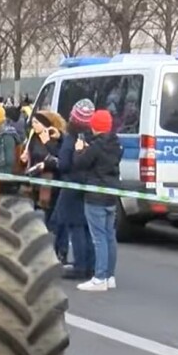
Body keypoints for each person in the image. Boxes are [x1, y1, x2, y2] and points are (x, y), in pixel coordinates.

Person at [72, 110, 123, 292]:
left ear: (94, 126)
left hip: (95, 195)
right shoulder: (116, 144)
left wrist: (79, 150)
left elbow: (79, 163)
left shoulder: (96, 146)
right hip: (111, 193)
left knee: (99, 238)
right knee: (110, 236)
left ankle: (99, 277)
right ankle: (110, 276)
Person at [54, 99, 97, 278]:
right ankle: (90, 266)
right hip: (88, 186)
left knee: (76, 227)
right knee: (88, 229)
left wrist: (54, 160)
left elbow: (64, 164)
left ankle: (79, 265)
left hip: (72, 186)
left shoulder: (71, 138)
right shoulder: (93, 137)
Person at [21, 112, 63, 215]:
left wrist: (46, 165)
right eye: (33, 122)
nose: (33, 125)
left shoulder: (55, 139)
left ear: (45, 124)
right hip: (33, 179)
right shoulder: (33, 138)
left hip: (49, 182)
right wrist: (25, 158)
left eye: (36, 122)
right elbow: (31, 155)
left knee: (45, 212)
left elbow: (59, 159)